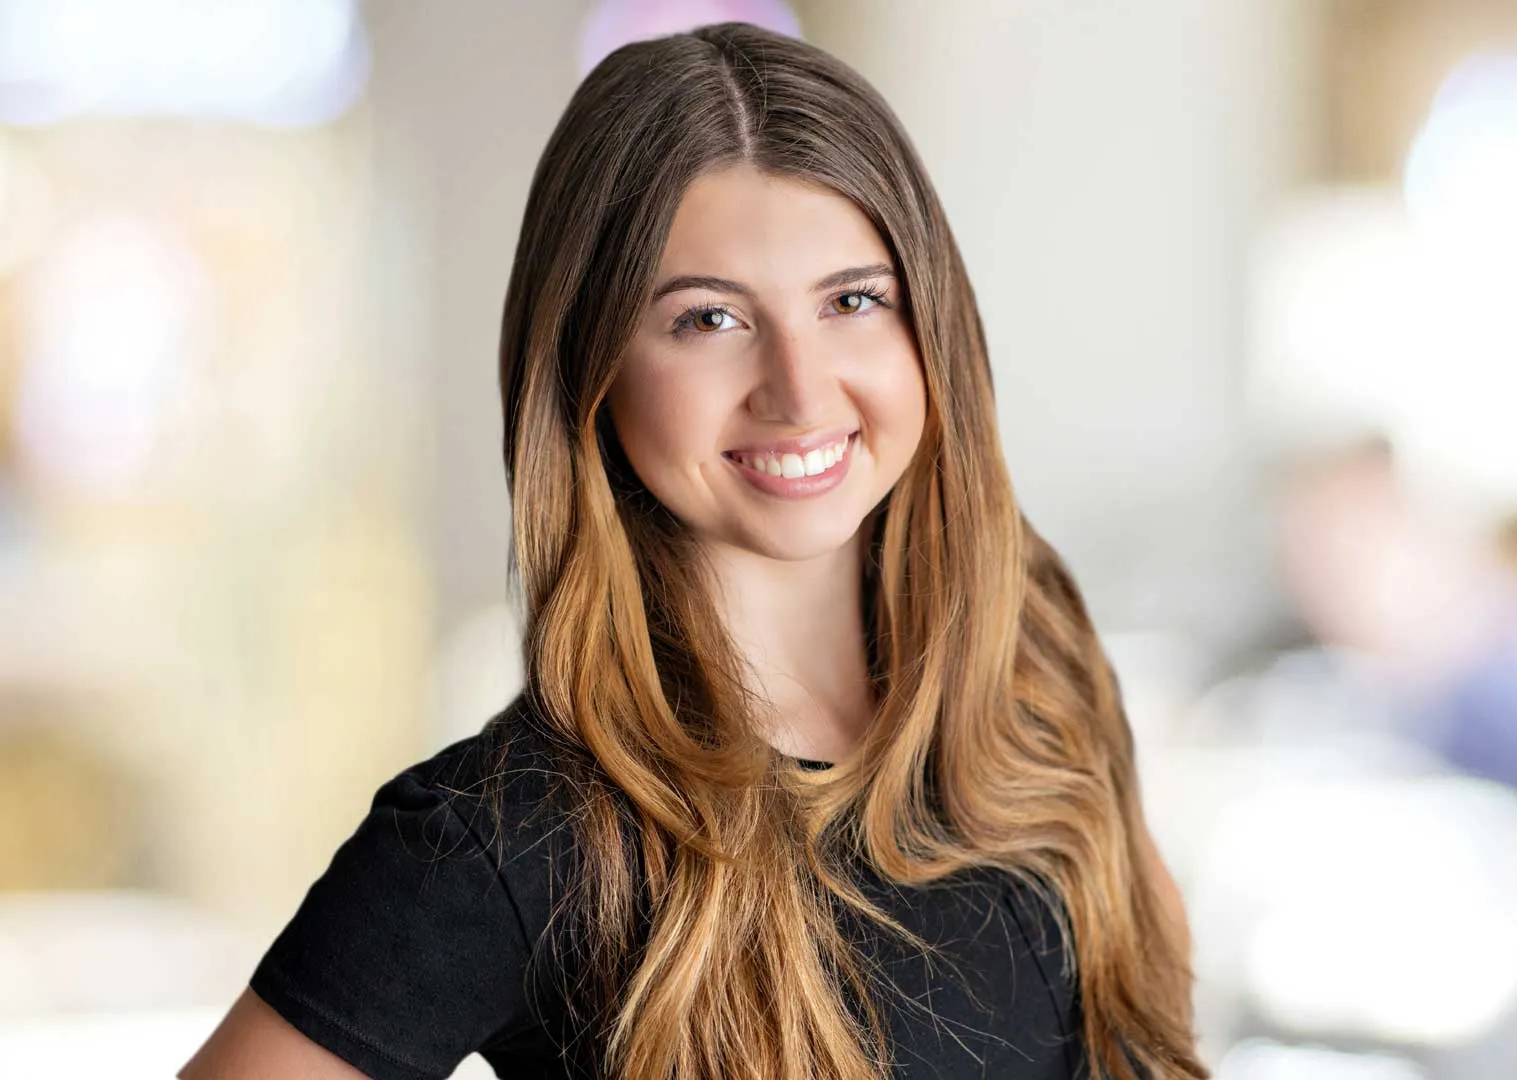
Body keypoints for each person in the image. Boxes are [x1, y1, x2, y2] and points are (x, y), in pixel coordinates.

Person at [179, 21, 1200, 1080]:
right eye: (709, 320)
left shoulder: (1035, 667)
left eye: (853, 301)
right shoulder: (513, 836)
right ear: (591, 363)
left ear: (932, 326)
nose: (798, 392)